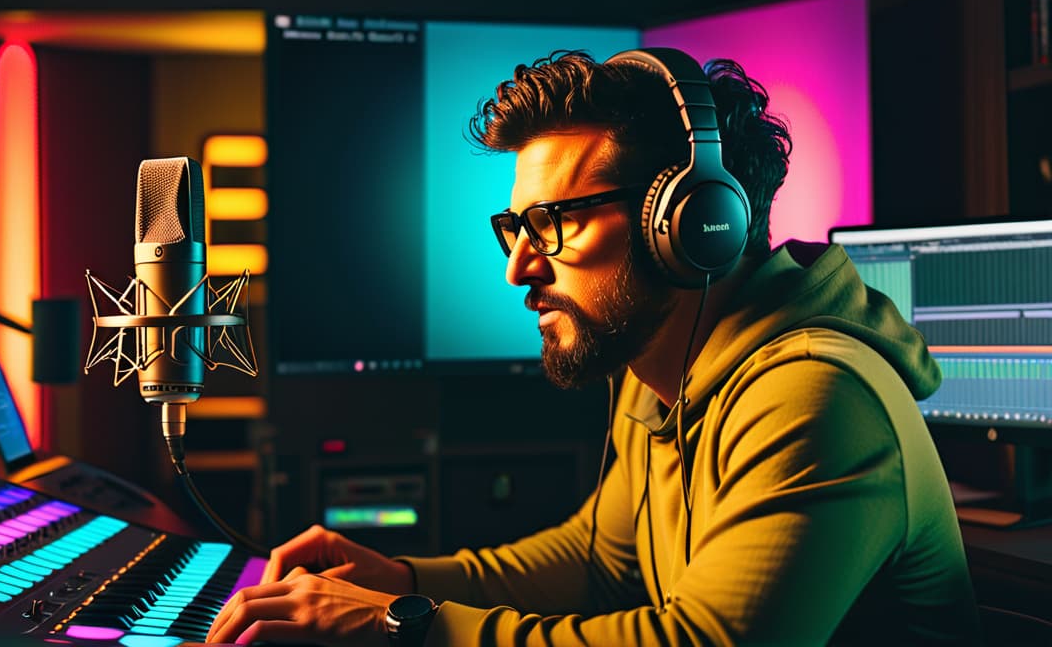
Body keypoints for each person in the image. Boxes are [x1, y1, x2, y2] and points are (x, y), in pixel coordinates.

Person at [207, 48, 980, 645]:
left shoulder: (816, 395)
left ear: (687, 225)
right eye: (515, 227)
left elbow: (704, 643)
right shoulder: (662, 368)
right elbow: (597, 565)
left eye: (553, 223)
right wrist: (399, 578)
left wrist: (398, 625)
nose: (518, 266)